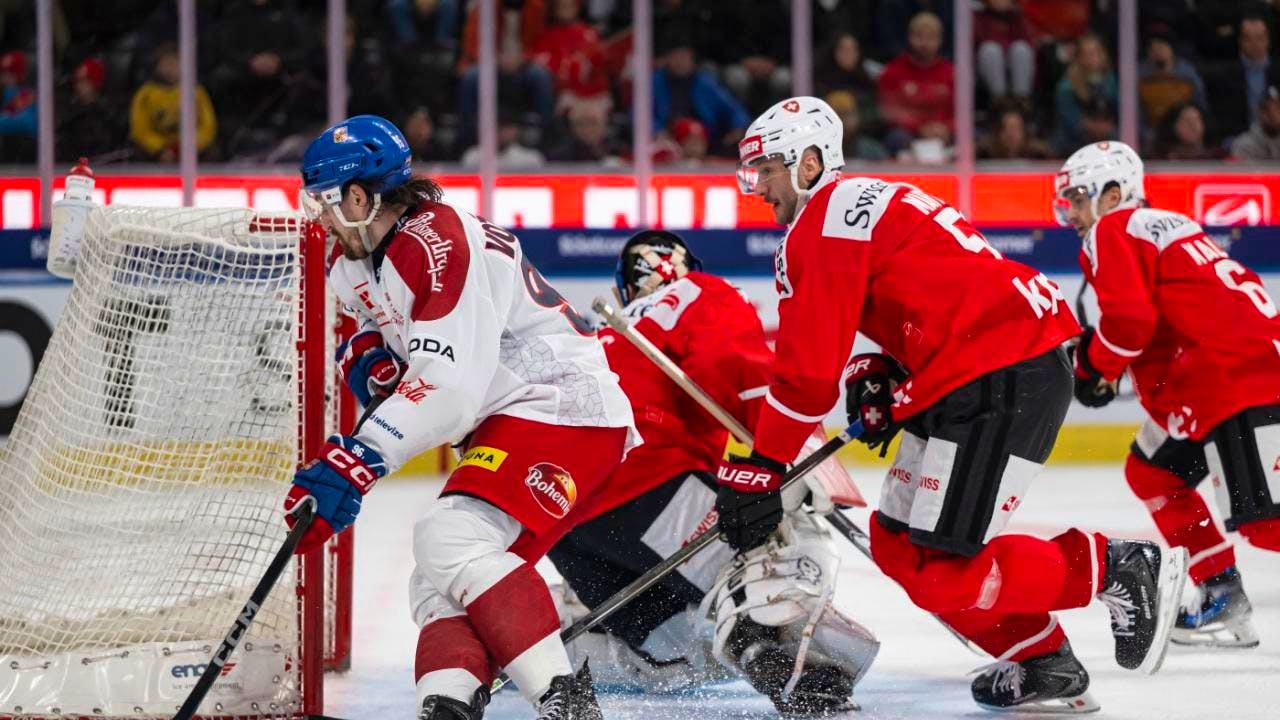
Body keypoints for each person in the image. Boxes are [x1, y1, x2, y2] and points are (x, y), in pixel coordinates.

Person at [727, 96, 1189, 713]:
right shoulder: (859, 203)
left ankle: (1116, 566)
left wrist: (762, 465)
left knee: (947, 567)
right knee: (899, 547)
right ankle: (1041, 660)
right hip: (974, 370)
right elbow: (918, 298)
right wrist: (876, 372)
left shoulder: (824, 221)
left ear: (810, 162)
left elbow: (806, 376)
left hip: (999, 371)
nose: (757, 186)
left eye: (768, 170)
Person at [289, 115, 638, 720]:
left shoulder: (438, 242)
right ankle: (446, 709)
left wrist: (360, 458)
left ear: (358, 196)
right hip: (515, 420)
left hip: (562, 408)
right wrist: (370, 356)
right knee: (438, 576)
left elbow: (449, 389)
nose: (317, 217)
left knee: (448, 537)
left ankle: (568, 707)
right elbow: (368, 328)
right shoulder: (355, 260)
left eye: (323, 202)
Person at [547, 231, 879, 717]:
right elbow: (742, 372)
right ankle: (789, 665)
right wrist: (789, 460)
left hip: (559, 513)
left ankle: (559, 648)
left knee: (673, 653)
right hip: (644, 481)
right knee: (774, 536)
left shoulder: (597, 334)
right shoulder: (699, 291)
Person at [1057, 140, 1280, 649]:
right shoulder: (1163, 226)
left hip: (1237, 380)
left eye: (1076, 197)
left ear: (1113, 194)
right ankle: (1222, 594)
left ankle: (1223, 596)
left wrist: (1095, 366)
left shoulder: (1112, 228)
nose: (1070, 211)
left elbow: (1131, 323)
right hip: (1221, 378)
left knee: (1269, 525)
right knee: (1152, 471)